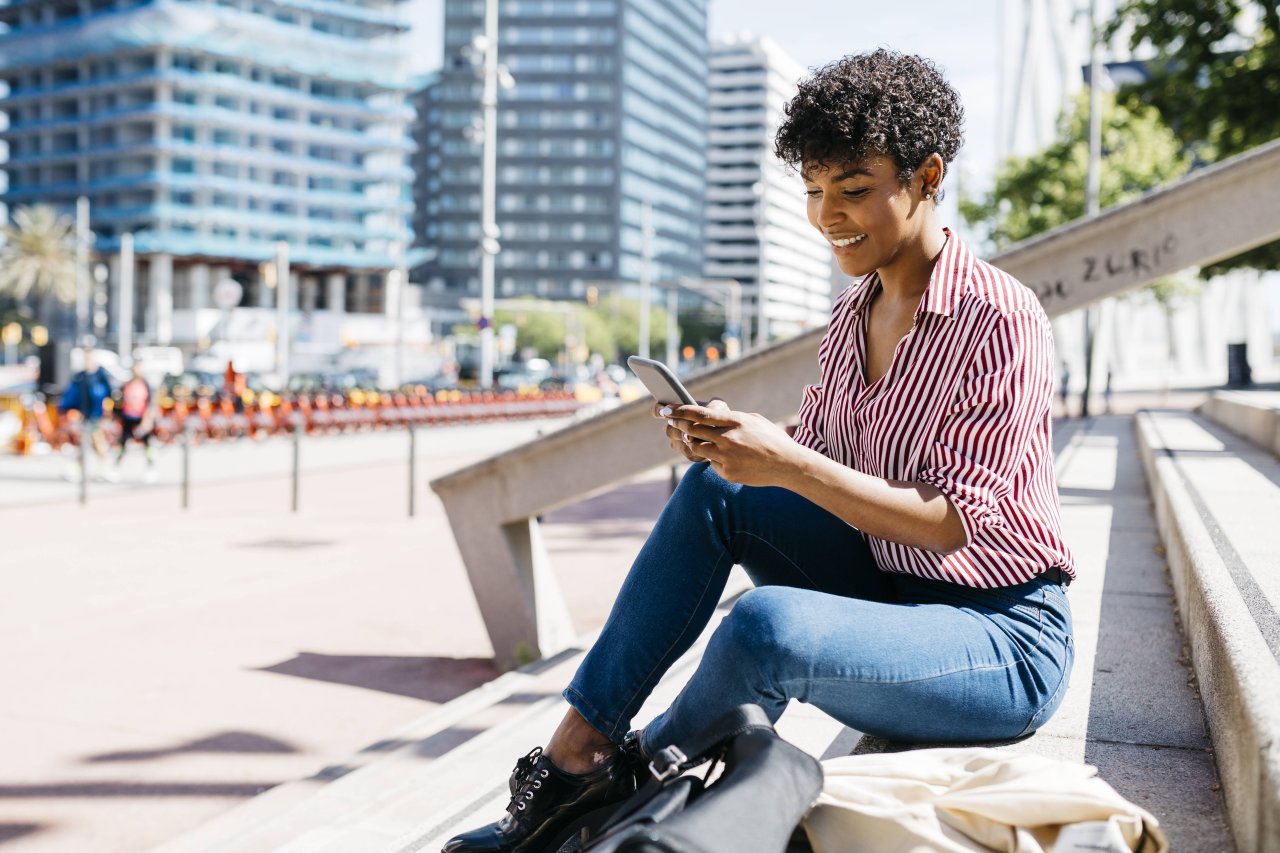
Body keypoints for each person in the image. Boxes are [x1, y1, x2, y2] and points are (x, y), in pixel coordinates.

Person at [443, 50, 1077, 853]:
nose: (828, 216)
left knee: (762, 626)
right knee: (717, 491)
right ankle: (576, 760)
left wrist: (788, 461)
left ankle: (635, 785)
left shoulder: (1000, 318)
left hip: (998, 639)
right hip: (889, 591)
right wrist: (741, 448)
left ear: (926, 175)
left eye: (852, 189)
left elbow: (953, 524)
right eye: (814, 191)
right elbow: (809, 467)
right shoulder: (855, 315)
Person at [58, 346, 113, 482]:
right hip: (84, 415)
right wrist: (66, 407)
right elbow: (72, 395)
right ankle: (80, 469)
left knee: (97, 442)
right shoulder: (80, 377)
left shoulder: (101, 376)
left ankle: (106, 469)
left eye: (89, 358)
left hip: (96, 415)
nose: (87, 361)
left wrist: (107, 409)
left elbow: (108, 394)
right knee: (85, 443)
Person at [114, 362, 158, 481]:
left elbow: (150, 403)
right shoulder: (127, 385)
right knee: (123, 443)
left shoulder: (146, 385)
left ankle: (151, 468)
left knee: (147, 444)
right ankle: (116, 467)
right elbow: (119, 401)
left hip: (141, 418)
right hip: (128, 417)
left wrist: (147, 419)